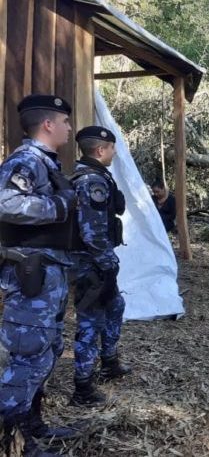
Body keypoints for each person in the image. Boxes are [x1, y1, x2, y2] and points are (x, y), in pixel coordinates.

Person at [0, 94, 80, 456]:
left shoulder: (46, 163)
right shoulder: (26, 161)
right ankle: (13, 442)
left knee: (45, 352)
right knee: (27, 355)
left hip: (48, 274)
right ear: (48, 124)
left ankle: (31, 427)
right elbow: (5, 202)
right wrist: (57, 207)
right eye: (64, 121)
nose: (68, 128)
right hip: (32, 274)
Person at [69, 126, 131, 407]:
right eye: (112, 147)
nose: (114, 152)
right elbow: (91, 232)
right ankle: (82, 387)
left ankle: (109, 363)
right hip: (90, 264)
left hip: (97, 262)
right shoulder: (90, 181)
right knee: (90, 321)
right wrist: (108, 262)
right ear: (100, 150)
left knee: (115, 306)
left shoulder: (95, 175)